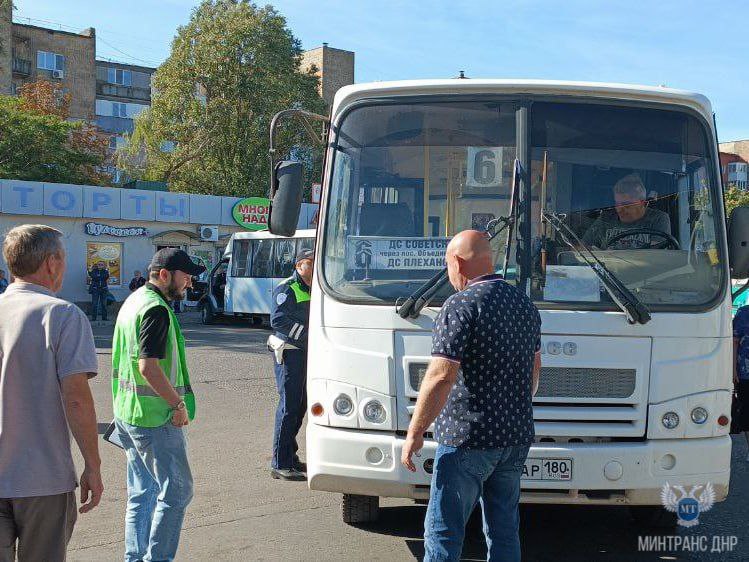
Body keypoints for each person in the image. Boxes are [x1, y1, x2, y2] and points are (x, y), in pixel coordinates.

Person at [402, 230, 541, 562]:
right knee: (504, 529)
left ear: (457, 262)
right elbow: (535, 370)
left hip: (468, 437)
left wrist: (415, 432)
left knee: (444, 531)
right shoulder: (523, 303)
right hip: (515, 436)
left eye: (448, 264)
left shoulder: (461, 304)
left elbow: (440, 376)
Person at [0, 225, 103, 561]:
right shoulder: (62, 315)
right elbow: (76, 398)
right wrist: (93, 465)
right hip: (41, 480)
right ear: (52, 262)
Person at [112, 248, 205, 562]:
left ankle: (135, 557)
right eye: (186, 277)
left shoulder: (134, 301)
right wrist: (177, 404)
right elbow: (147, 366)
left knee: (143, 492)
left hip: (128, 413)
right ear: (165, 275)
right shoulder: (155, 309)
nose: (189, 284)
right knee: (177, 491)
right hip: (154, 418)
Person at [268, 248, 314, 481]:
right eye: (310, 262)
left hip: (305, 353)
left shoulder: (316, 286)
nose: (315, 266)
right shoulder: (287, 288)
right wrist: (308, 334)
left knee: (301, 405)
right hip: (289, 352)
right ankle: (280, 463)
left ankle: (290, 455)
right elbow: (278, 320)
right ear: (298, 266)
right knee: (289, 407)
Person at [582, 174, 672, 249]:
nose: (619, 209)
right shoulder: (606, 218)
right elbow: (583, 247)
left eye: (626, 205)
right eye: (617, 203)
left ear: (642, 203)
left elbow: (656, 256)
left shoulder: (658, 219)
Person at [733, 304, 749, 461]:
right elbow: (734, 342)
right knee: (746, 413)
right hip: (745, 372)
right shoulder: (743, 312)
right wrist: (732, 370)